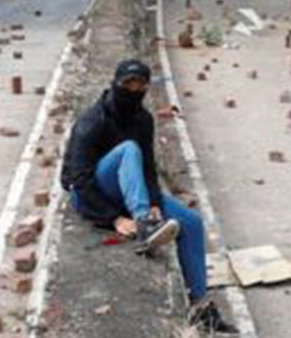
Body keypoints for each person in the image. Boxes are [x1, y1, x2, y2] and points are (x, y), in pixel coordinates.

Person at [61, 60, 237, 334]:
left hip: (131, 193)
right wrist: (114, 218)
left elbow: (148, 169)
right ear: (116, 84)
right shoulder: (92, 121)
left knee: (191, 223)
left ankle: (200, 307)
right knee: (128, 149)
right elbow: (76, 180)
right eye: (128, 84)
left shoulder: (143, 120)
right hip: (91, 194)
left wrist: (155, 201)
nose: (134, 89)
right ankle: (144, 223)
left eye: (140, 85)